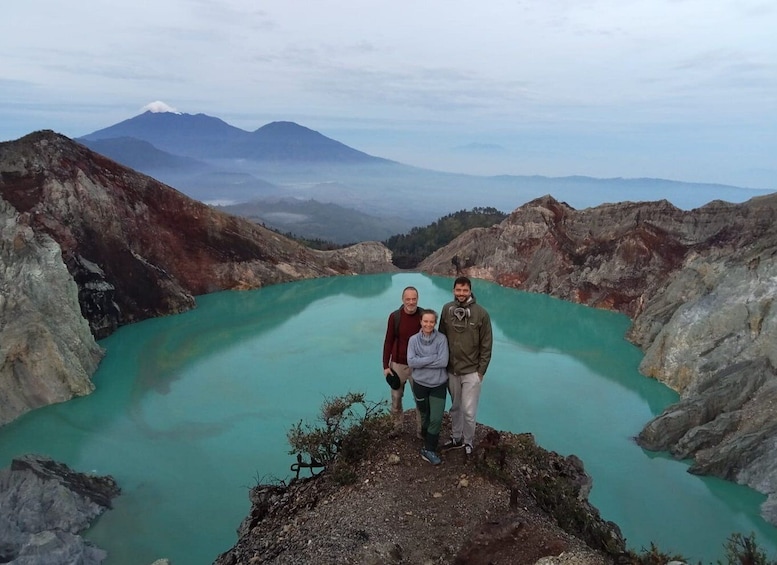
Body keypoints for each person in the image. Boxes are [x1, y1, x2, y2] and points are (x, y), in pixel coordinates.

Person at [438, 276, 493, 456]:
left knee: (469, 411)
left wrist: (481, 372)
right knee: (455, 407)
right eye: (458, 290)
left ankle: (468, 441)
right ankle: (456, 437)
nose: (461, 294)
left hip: (471, 372)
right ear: (454, 290)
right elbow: (441, 337)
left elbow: (486, 344)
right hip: (452, 370)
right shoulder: (447, 310)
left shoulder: (481, 314)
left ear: (470, 291)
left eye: (465, 290)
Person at [407, 309, 449, 465]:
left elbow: (443, 362)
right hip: (420, 384)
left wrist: (421, 360)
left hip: (438, 384)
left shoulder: (442, 339)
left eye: (431, 321)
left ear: (435, 322)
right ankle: (427, 438)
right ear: (421, 321)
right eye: (425, 321)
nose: (428, 324)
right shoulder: (413, 340)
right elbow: (411, 362)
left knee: (436, 418)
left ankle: (429, 449)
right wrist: (433, 358)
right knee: (424, 414)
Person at [382, 286, 424, 437]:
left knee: (420, 399)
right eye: (408, 299)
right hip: (398, 364)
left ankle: (421, 431)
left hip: (418, 365)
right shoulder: (395, 317)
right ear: (403, 299)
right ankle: (397, 427)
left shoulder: (423, 316)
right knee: (396, 398)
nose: (411, 302)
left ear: (417, 299)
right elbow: (388, 341)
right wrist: (386, 365)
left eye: (414, 299)